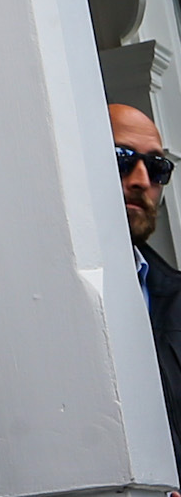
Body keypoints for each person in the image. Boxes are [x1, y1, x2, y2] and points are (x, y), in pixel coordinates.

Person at [113, 104, 181, 471]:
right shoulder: (14, 296)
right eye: (121, 157)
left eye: (157, 167)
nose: (141, 179)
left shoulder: (174, 296)